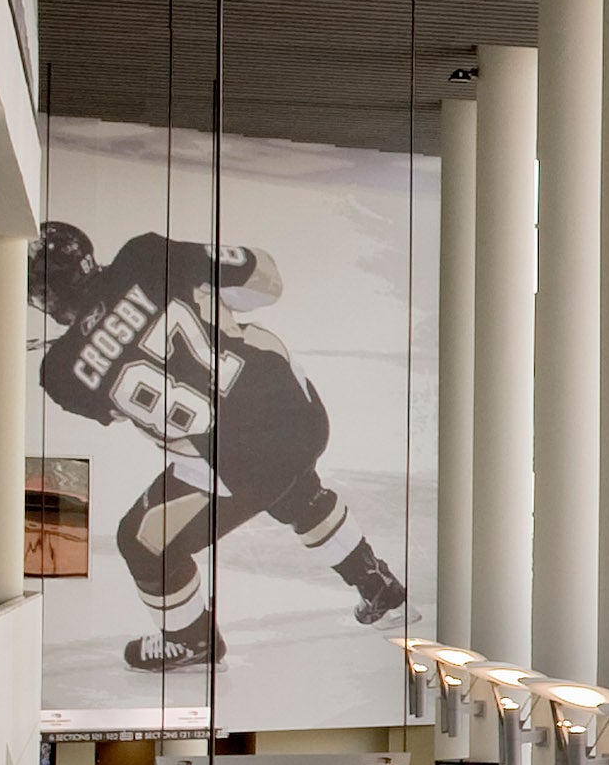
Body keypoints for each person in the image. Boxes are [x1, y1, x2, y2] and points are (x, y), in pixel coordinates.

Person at [26, 219, 405, 671]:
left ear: (43, 297)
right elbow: (263, 278)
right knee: (289, 482)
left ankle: (191, 640)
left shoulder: (60, 374)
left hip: (238, 461)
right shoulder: (142, 256)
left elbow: (121, 408)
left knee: (141, 540)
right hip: (299, 411)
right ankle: (377, 584)